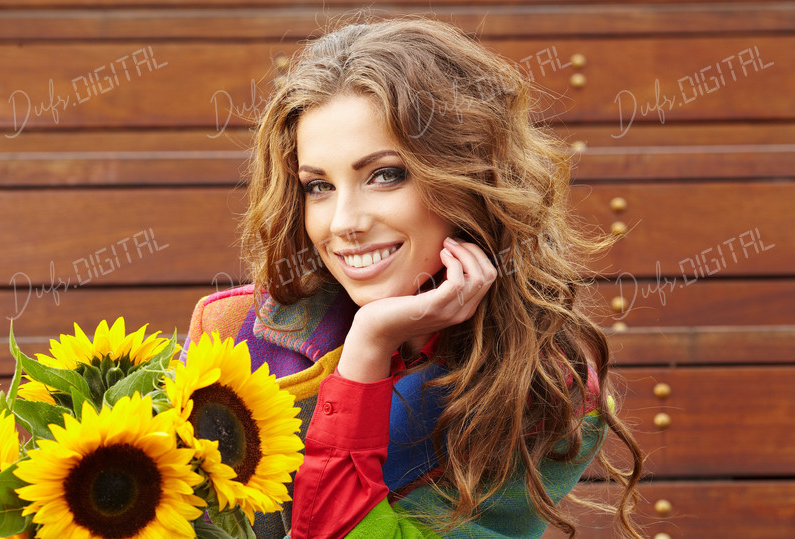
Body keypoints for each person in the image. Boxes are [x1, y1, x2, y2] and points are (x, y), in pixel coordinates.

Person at [184, 17, 642, 538]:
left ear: (469, 178)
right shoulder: (231, 331)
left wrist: (368, 350)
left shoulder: (547, 394)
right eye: (318, 186)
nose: (344, 223)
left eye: (386, 175)